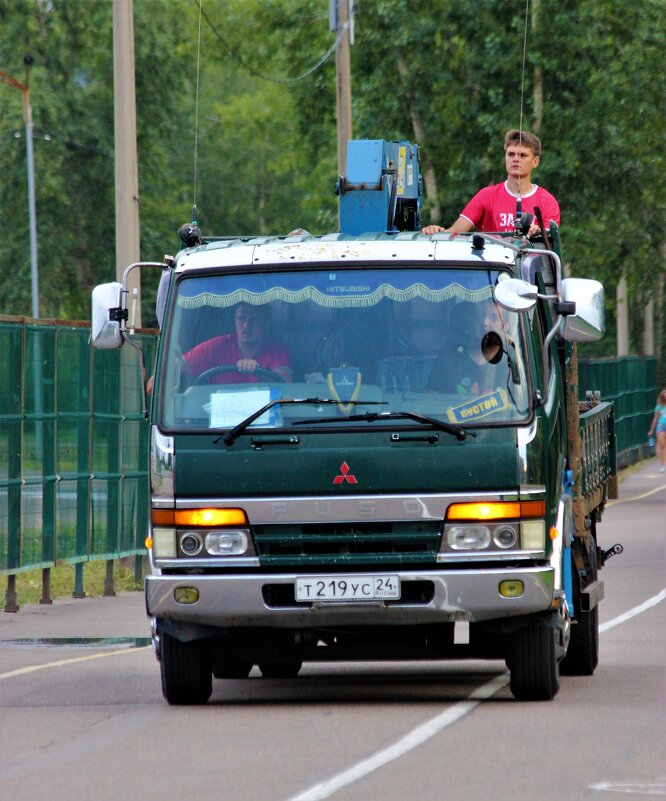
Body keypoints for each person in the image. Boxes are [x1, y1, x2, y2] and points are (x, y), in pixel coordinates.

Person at [422, 130, 560, 238]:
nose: (515, 159)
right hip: (493, 270)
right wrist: (434, 231)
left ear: (535, 162)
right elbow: (454, 233)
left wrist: (535, 234)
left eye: (523, 155)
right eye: (511, 154)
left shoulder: (547, 202)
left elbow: (547, 245)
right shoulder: (487, 195)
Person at [183, 302, 293, 384]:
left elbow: (285, 384)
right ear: (235, 321)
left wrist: (259, 373)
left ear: (266, 323)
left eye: (254, 320)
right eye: (241, 319)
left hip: (263, 412)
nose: (246, 326)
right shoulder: (216, 346)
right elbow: (175, 367)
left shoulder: (276, 350)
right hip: (218, 413)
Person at [428, 301, 506, 394]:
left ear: (506, 326)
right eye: (481, 316)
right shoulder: (448, 359)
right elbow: (431, 398)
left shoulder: (509, 365)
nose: (485, 322)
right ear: (472, 321)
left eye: (494, 317)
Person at [647, 389, 666, 473]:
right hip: (661, 426)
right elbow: (655, 419)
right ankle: (662, 465)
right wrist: (651, 430)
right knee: (661, 445)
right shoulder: (659, 407)